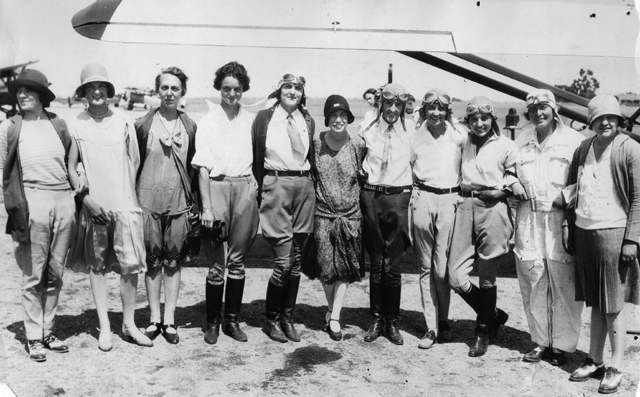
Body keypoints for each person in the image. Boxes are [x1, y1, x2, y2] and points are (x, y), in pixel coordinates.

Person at [67, 63, 153, 351]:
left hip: (125, 204)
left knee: (131, 267)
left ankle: (129, 324)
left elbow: (135, 162)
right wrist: (87, 201)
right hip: (96, 207)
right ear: (83, 93)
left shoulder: (124, 121)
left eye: (101, 86)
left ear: (109, 91)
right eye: (91, 87)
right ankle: (105, 326)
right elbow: (71, 165)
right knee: (98, 265)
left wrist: (127, 197)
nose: (97, 91)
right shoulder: (76, 123)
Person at [566, 94, 640, 394]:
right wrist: (567, 226)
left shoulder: (630, 149)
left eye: (612, 118)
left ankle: (616, 364)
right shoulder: (583, 148)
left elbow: (638, 198)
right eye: (599, 118)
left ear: (620, 121)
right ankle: (594, 358)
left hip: (614, 233)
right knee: (595, 301)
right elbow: (572, 190)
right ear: (590, 121)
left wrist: (632, 239)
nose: (606, 123)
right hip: (585, 231)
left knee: (613, 303)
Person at [0, 69, 75, 361]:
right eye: (18, 91)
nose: (21, 95)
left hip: (63, 201)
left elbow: (72, 161)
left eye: (28, 90)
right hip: (32, 201)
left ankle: (48, 330)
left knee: (56, 272)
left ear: (41, 95)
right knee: (33, 274)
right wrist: (15, 205)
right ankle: (33, 337)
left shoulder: (59, 124)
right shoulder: (9, 127)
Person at [447, 96, 523, 357]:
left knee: (487, 276)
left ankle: (482, 332)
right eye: (474, 119)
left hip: (493, 209)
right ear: (467, 121)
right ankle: (493, 314)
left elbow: (515, 178)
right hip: (465, 206)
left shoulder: (507, 145)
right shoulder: (462, 141)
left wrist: (500, 192)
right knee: (455, 276)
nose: (479, 123)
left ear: (493, 119)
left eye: (485, 118)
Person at [513, 89, 584, 366]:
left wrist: (565, 198)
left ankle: (563, 347)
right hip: (528, 216)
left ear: (554, 111)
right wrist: (512, 182)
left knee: (563, 282)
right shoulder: (521, 140)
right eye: (533, 110)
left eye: (544, 108)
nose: (538, 114)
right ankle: (540, 342)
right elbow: (506, 169)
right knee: (534, 280)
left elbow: (584, 178)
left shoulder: (574, 142)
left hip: (559, 218)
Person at [192, 61, 258, 344]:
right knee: (217, 263)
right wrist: (206, 207)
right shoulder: (208, 121)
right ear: (219, 88)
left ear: (243, 90)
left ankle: (232, 321)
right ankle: (212, 323)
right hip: (217, 190)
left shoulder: (251, 119)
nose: (232, 94)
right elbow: (203, 168)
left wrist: (254, 178)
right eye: (227, 88)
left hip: (244, 189)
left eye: (237, 89)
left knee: (238, 262)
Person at [134, 67, 197, 345]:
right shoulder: (142, 125)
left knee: (173, 263)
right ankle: (154, 319)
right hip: (147, 204)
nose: (169, 93)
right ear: (157, 90)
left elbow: (196, 167)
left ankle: (170, 320)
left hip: (179, 205)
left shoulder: (191, 127)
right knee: (152, 265)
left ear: (183, 92)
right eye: (165, 88)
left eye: (175, 88)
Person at [252, 71, 315, 343]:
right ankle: (271, 319)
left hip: (303, 186)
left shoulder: (308, 120)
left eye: (298, 88)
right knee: (283, 261)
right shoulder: (265, 118)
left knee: (297, 261)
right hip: (276, 185)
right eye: (288, 86)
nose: (293, 91)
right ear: (279, 90)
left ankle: (287, 318)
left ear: (303, 93)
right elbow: (256, 155)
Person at [301, 95, 365, 341]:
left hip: (351, 216)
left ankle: (335, 316)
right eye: (333, 116)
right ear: (327, 119)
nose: (338, 120)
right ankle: (332, 310)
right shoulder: (316, 143)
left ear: (348, 118)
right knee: (327, 268)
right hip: (323, 214)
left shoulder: (358, 143)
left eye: (342, 116)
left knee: (345, 269)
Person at [360, 83, 415, 346]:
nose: (393, 109)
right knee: (376, 261)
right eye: (388, 104)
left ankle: (392, 322)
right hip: (372, 196)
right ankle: (376, 319)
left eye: (398, 105)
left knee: (393, 264)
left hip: (399, 197)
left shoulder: (413, 128)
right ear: (380, 104)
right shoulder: (367, 126)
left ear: (404, 107)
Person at [410, 88, 463, 349]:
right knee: (425, 267)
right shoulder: (414, 136)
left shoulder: (458, 136)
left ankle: (444, 321)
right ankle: (431, 327)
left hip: (450, 200)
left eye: (441, 108)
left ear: (447, 111)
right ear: (424, 110)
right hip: (423, 197)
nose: (435, 113)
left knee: (442, 268)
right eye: (431, 108)